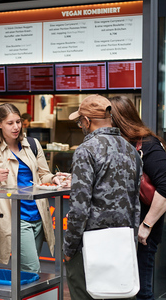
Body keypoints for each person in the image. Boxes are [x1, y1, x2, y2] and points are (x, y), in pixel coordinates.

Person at [0, 103, 69, 273]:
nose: (16, 127)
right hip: (15, 216)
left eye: (18, 122)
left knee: (26, 272)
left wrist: (56, 178)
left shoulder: (32, 144)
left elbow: (43, 175)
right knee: (32, 268)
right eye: (10, 123)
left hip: (38, 214)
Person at [63, 95, 141, 300]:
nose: (81, 125)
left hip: (89, 245)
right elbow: (136, 204)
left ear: (87, 121)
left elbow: (79, 208)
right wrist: (131, 243)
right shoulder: (131, 151)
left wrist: (69, 247)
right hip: (122, 244)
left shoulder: (85, 151)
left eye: (80, 121)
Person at [109, 96, 166, 300]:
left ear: (117, 120)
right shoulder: (121, 143)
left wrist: (146, 226)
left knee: (142, 292)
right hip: (125, 231)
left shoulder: (147, 144)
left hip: (142, 233)